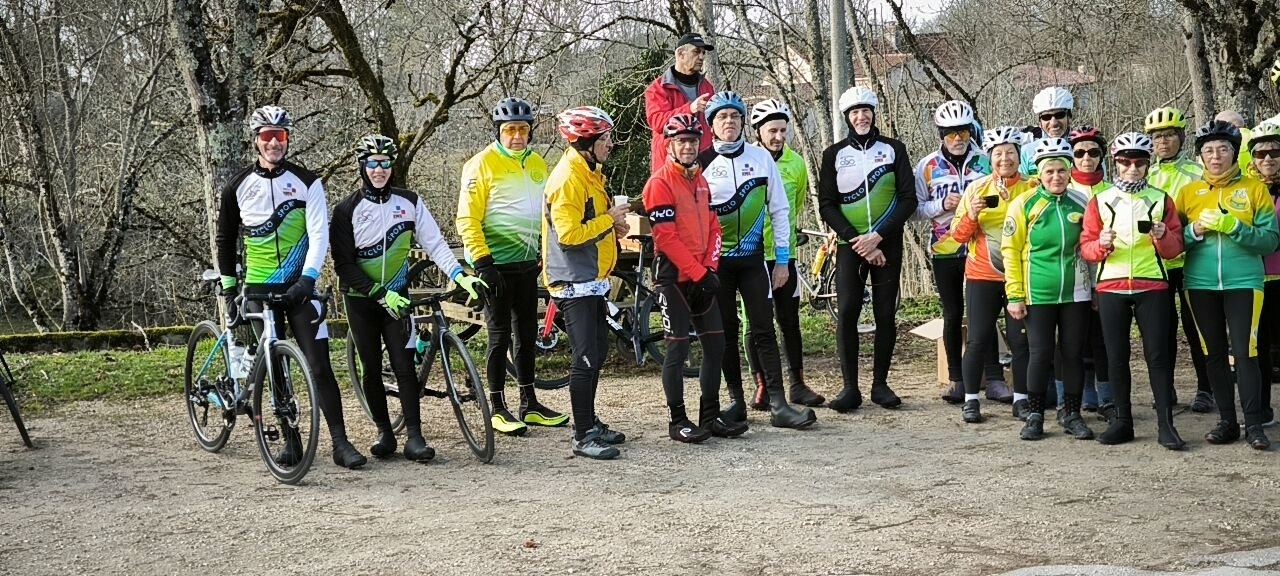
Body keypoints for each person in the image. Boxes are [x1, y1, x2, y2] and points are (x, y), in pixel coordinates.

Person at [215, 105, 367, 469]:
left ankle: (341, 442)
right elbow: (225, 238)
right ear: (256, 141)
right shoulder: (237, 186)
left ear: (287, 140)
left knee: (319, 365)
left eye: (280, 136)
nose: (274, 143)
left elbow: (318, 235)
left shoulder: (307, 182)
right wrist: (230, 288)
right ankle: (291, 440)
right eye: (267, 136)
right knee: (275, 366)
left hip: (301, 287)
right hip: (259, 289)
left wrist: (308, 279)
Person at [333, 135, 487, 461]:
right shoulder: (347, 209)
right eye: (372, 163)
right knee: (371, 367)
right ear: (362, 166)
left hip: (399, 297)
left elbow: (435, 244)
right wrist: (379, 293)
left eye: (385, 163)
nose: (379, 170)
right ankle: (385, 432)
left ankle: (415, 436)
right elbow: (343, 266)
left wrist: (461, 275)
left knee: (404, 365)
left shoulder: (409, 202)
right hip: (362, 299)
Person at [697, 91, 816, 429]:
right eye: (722, 117)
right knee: (725, 333)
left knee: (764, 329)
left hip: (754, 261)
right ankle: (736, 401)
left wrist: (782, 261)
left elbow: (780, 210)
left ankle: (779, 404)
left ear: (742, 122)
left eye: (735, 116)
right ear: (712, 125)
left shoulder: (761, 158)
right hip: (718, 264)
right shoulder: (701, 162)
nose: (729, 122)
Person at [456, 97, 569, 437]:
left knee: (527, 335)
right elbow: (467, 219)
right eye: (510, 130)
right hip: (495, 266)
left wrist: (546, 251)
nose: (517, 136)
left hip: (527, 264)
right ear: (499, 131)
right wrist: (483, 264)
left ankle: (529, 403)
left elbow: (546, 212)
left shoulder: (536, 162)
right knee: (499, 335)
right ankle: (496, 407)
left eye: (523, 129)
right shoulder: (481, 164)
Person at [1078, 132, 1186, 449]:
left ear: (1148, 164)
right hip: (1111, 285)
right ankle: (1123, 422)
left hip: (1152, 284)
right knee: (1116, 356)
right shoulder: (1100, 200)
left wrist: (1163, 236)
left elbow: (1175, 248)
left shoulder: (1161, 199)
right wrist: (1102, 245)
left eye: (1139, 162)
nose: (1132, 169)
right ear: (1116, 163)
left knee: (1158, 356)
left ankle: (1166, 424)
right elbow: (1086, 248)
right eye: (1125, 162)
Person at [643, 114, 746, 442]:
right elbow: (667, 238)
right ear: (670, 145)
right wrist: (700, 273)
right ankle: (677, 421)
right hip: (673, 278)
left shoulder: (701, 179)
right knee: (677, 349)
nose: (688, 147)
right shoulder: (659, 183)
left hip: (702, 275)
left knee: (716, 344)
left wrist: (710, 268)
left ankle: (710, 416)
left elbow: (715, 227)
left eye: (692, 141)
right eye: (681, 141)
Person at [1178, 120, 1279, 450]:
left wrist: (1234, 227)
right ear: (1200, 156)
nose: (1216, 156)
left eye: (1223, 149)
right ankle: (1227, 422)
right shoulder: (1188, 193)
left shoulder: (1254, 189)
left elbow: (1270, 241)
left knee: (1247, 353)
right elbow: (1172, 243)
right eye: (1208, 150)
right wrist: (1193, 232)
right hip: (1200, 284)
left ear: (1234, 153)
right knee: (1214, 354)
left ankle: (1254, 425)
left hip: (1244, 282)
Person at [818, 86, 918, 412]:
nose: (861, 117)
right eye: (854, 112)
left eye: (866, 111)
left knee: (884, 313)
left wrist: (877, 236)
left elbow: (908, 199)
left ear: (874, 113)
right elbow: (827, 205)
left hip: (887, 241)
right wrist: (857, 238)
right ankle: (850, 388)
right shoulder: (833, 154)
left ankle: (880, 384)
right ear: (847, 117)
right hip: (851, 244)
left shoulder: (893, 149)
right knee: (847, 311)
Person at [542, 106, 631, 459]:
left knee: (598, 351)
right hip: (573, 281)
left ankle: (589, 421)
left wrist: (614, 225)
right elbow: (568, 235)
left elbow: (591, 221)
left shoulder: (590, 172)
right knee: (586, 357)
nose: (611, 144)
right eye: (605, 138)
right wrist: (608, 219)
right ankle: (582, 435)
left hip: (592, 280)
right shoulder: (568, 178)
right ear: (586, 142)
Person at [913, 100, 1008, 405]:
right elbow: (915, 209)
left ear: (971, 131)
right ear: (941, 134)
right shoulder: (927, 166)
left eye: (963, 132)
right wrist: (941, 205)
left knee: (985, 313)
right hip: (945, 248)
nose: (957, 139)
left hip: (983, 246)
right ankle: (956, 379)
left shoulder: (986, 160)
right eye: (951, 133)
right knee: (953, 313)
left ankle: (994, 378)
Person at [1002, 137, 1094, 441]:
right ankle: (1036, 415)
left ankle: (1072, 413)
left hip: (1076, 291)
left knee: (1073, 353)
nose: (1056, 177)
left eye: (1062, 170)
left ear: (1070, 172)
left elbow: (1091, 247)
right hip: (1037, 292)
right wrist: (1015, 294)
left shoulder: (1082, 202)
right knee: (1040, 353)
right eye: (1049, 171)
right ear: (1039, 174)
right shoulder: (1024, 203)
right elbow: (1010, 251)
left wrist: (1094, 287)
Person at [745, 97, 826, 409]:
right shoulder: (748, 159)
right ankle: (762, 385)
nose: (778, 136)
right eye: (772, 131)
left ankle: (797, 384)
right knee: (754, 323)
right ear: (758, 132)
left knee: (789, 320)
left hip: (784, 255)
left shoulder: (796, 163)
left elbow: (797, 203)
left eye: (782, 130)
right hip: (752, 256)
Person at [949, 126, 1034, 423]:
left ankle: (1021, 400)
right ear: (990, 157)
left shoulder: (1032, 186)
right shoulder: (977, 188)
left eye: (1010, 152)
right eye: (998, 153)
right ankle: (971, 401)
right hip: (982, 275)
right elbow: (958, 236)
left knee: (1020, 341)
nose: (1005, 158)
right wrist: (972, 214)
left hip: (1019, 277)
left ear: (1019, 156)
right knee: (977, 339)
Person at [1144, 106, 1211, 412]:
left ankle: (1205, 388)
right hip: (1156, 264)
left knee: (1196, 327)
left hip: (1190, 262)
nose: (1163, 142)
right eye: (1157, 137)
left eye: (1169, 135)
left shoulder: (1197, 173)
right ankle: (1166, 389)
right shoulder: (1147, 174)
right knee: (1162, 330)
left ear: (1182, 137)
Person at [1066, 126, 1114, 417]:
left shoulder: (1113, 190)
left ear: (1102, 156)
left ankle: (1107, 394)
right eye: (1080, 152)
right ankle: (1086, 392)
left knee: (1102, 336)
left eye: (1093, 152)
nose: (1087, 158)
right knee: (1077, 337)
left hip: (1105, 273)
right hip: (1071, 275)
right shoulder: (1062, 187)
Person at [644, 33, 715, 172]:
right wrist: (689, 109)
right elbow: (657, 122)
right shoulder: (658, 88)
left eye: (703, 53)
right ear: (680, 54)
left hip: (704, 165)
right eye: (696, 52)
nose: (701, 57)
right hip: (669, 168)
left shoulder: (707, 87)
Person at [1250, 121, 1280, 427]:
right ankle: (1261, 408)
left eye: (1274, 152)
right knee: (1258, 348)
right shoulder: (1247, 190)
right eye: (1260, 153)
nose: (1268, 158)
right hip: (1254, 278)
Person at [1019, 86, 1074, 176]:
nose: (1053, 123)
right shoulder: (1028, 151)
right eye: (1046, 117)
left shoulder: (1083, 150)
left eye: (1059, 115)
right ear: (1040, 122)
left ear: (1069, 117)